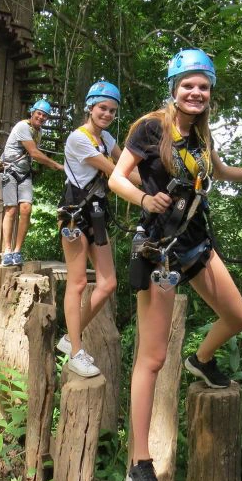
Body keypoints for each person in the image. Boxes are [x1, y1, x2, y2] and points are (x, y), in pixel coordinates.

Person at [108, 49, 242, 481]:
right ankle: (140, 462)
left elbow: (223, 171)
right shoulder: (150, 127)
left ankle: (201, 358)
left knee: (238, 316)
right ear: (174, 90)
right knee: (153, 359)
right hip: (161, 249)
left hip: (198, 245)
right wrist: (143, 199)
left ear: (210, 94)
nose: (196, 92)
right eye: (189, 85)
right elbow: (117, 177)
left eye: (204, 86)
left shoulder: (201, 135)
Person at [56, 81, 141, 377]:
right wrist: (146, 186)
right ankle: (76, 352)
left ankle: (70, 336)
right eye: (102, 108)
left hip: (97, 214)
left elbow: (130, 167)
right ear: (90, 107)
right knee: (77, 283)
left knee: (108, 283)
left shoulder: (105, 136)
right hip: (75, 216)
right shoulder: (78, 139)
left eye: (112, 110)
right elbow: (116, 170)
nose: (107, 113)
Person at [0, 99, 63, 267]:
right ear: (32, 112)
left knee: (26, 209)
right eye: (39, 114)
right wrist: (55, 165)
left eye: (45, 116)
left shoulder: (38, 132)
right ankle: (6, 251)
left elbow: (32, 154)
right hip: (10, 171)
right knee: (11, 210)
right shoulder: (22, 127)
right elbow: (34, 153)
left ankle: (17, 251)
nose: (41, 117)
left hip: (24, 172)